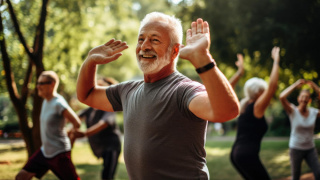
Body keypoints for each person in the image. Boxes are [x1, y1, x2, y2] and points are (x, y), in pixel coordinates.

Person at [77, 12, 240, 179]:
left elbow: (227, 111)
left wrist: (202, 58)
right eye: (141, 39)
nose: (145, 46)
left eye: (154, 40)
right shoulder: (127, 90)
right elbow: (87, 95)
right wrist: (90, 62)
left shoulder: (183, 90)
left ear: (175, 50)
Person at [16, 71, 81, 180]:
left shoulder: (58, 103)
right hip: (44, 151)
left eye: (41, 83)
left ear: (52, 84)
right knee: (21, 177)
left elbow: (77, 123)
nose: (38, 86)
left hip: (59, 153)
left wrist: (70, 138)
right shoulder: (46, 100)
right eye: (37, 83)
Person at [230, 46, 280, 180]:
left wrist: (240, 72)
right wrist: (276, 61)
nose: (266, 96)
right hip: (246, 155)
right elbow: (273, 86)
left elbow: (227, 89)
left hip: (236, 154)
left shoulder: (244, 105)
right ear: (258, 93)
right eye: (263, 91)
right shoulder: (256, 106)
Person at [71, 77, 122, 180]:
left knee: (107, 176)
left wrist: (85, 133)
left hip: (112, 146)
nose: (96, 89)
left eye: (100, 86)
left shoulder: (110, 107)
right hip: (101, 147)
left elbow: (103, 123)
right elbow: (75, 118)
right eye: (96, 86)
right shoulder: (92, 108)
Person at [279, 79, 320, 180]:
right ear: (298, 99)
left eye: (307, 97)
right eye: (302, 96)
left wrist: (315, 86)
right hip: (296, 148)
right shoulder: (292, 111)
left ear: (309, 100)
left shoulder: (314, 112)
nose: (304, 99)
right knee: (296, 177)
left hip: (310, 148)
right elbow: (282, 97)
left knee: (318, 174)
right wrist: (295, 85)